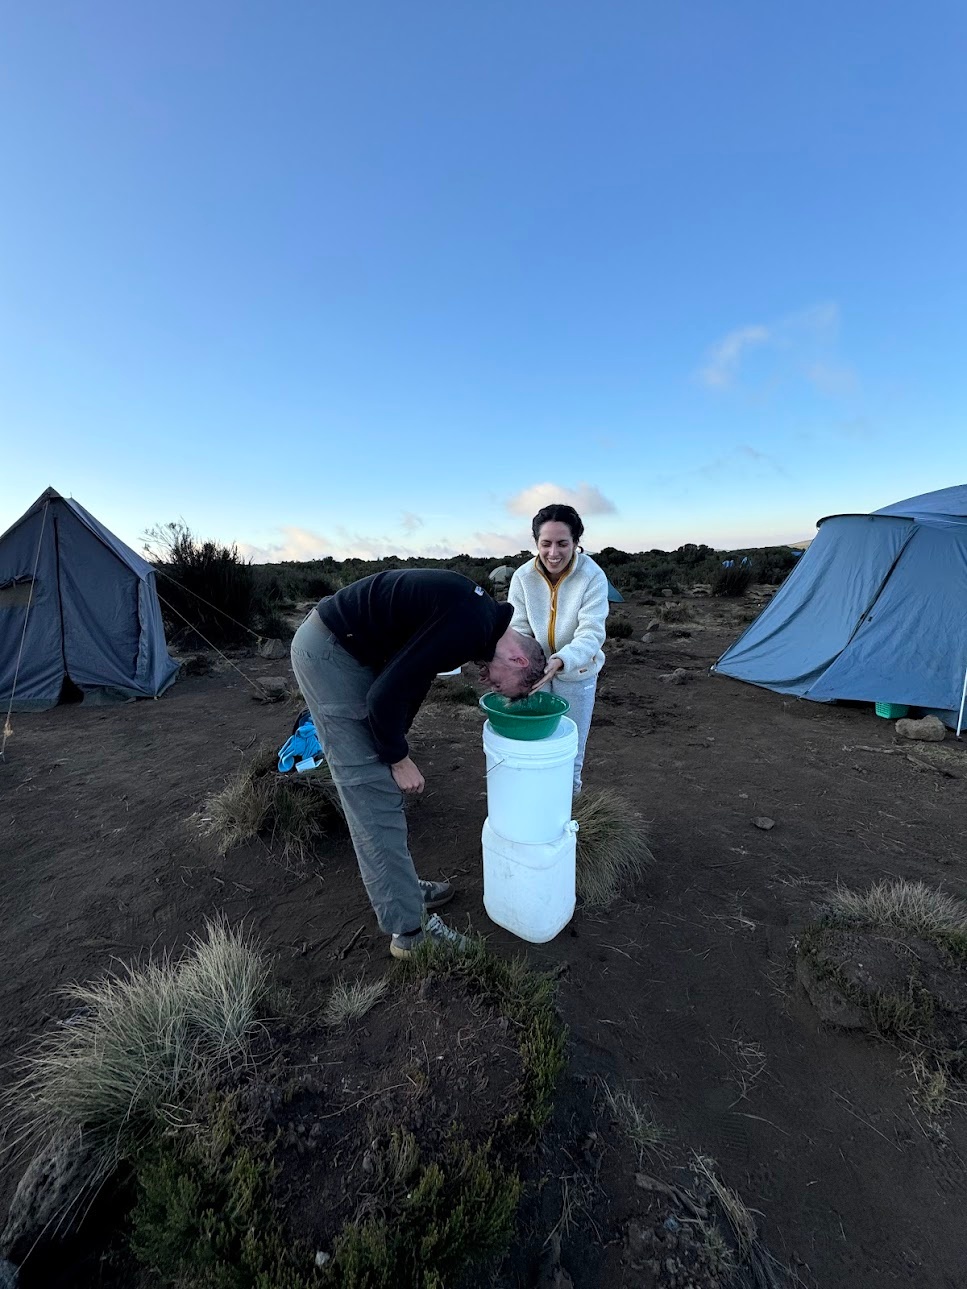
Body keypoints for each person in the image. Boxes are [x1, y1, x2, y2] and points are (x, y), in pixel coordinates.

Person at [290, 569, 546, 959]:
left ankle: (402, 890)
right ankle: (410, 932)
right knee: (372, 789)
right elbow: (383, 697)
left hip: (349, 648)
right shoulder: (470, 625)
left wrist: (396, 740)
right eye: (498, 684)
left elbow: (416, 676)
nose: (487, 683)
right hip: (331, 654)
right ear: (517, 657)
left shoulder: (478, 619)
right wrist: (397, 757)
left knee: (381, 772)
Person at [508, 503, 609, 795]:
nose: (554, 553)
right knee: (537, 743)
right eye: (546, 543)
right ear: (536, 542)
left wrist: (562, 660)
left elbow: (591, 632)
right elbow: (519, 627)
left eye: (563, 543)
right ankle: (536, 802)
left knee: (571, 748)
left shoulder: (593, 576)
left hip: (577, 673)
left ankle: (569, 811)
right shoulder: (522, 577)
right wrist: (526, 662)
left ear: (576, 543)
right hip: (536, 673)